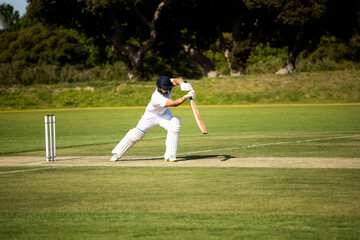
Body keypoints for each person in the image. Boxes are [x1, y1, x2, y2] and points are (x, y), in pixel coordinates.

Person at [110, 75, 195, 162]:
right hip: (151, 116)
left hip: (164, 113)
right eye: (163, 88)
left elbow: (177, 80)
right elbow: (173, 104)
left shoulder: (167, 84)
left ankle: (170, 155)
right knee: (136, 134)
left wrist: (183, 84)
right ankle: (117, 153)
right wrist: (185, 97)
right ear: (158, 87)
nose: (166, 90)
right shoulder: (156, 98)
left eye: (167, 88)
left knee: (174, 125)